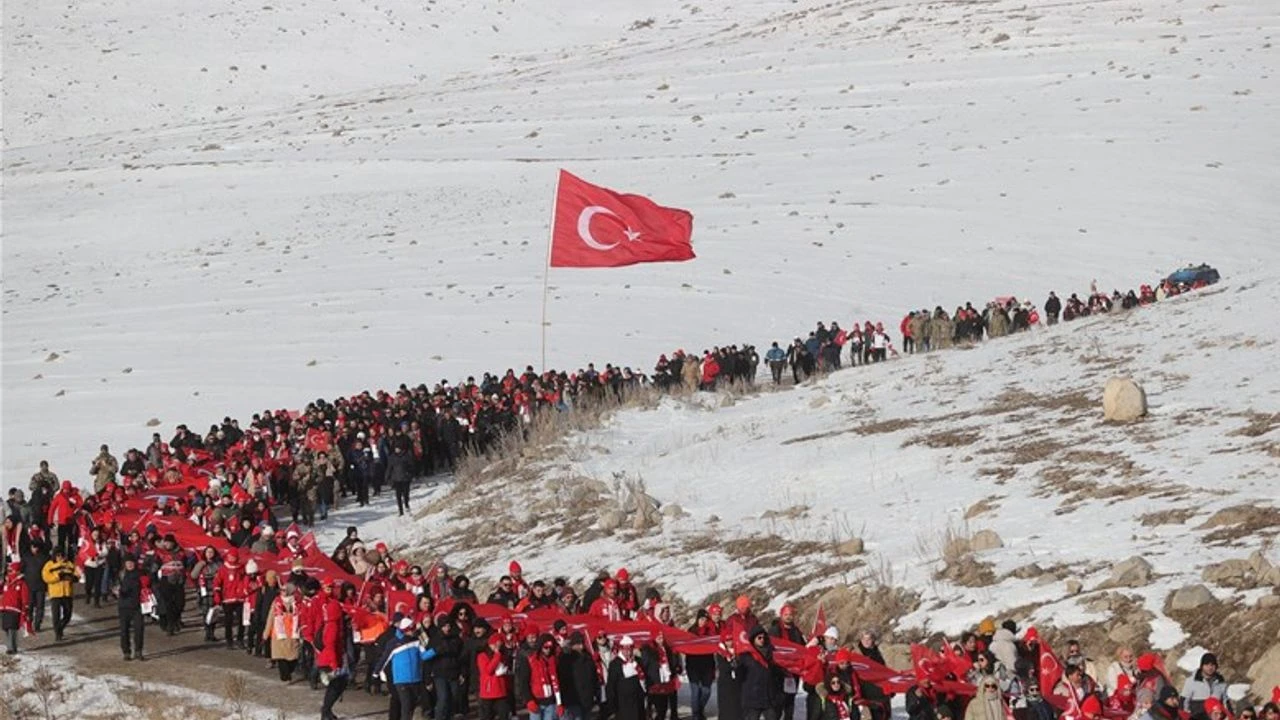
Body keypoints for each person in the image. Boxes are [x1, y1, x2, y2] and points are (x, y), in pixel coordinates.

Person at [377, 616, 439, 720]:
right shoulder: (394, 643)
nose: (414, 631)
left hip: (415, 678)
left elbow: (423, 655)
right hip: (401, 679)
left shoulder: (416, 641)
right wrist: (376, 673)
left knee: (412, 705)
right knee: (406, 705)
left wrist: (435, 651)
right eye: (411, 629)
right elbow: (384, 658)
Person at [738, 625, 783, 720]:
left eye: (763, 637)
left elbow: (777, 672)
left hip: (769, 696)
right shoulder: (746, 655)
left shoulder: (772, 652)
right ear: (753, 638)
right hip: (752, 697)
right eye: (759, 637)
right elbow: (740, 675)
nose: (762, 639)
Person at [769, 604, 805, 720]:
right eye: (786, 615)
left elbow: (802, 648)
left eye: (790, 615)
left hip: (793, 671)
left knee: (790, 702)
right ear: (781, 615)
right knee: (778, 703)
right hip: (779, 671)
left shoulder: (796, 631)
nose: (789, 617)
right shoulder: (775, 630)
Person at [263, 586, 302, 681]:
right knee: (281, 657)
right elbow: (270, 617)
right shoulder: (276, 602)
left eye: (285, 590)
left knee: (294, 658)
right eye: (281, 590)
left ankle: (289, 672)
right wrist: (266, 632)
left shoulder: (297, 603)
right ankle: (285, 677)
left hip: (292, 635)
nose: (282, 592)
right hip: (278, 635)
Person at [686, 609, 718, 720]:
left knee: (706, 691)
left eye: (705, 619)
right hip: (693, 666)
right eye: (701, 619)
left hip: (707, 665)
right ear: (697, 619)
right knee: (695, 692)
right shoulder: (691, 631)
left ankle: (699, 709)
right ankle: (696, 715)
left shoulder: (710, 632)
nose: (703, 621)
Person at [559, 631, 598, 720]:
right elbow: (563, 680)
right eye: (578, 644)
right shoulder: (566, 659)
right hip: (573, 699)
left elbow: (593, 677)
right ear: (572, 645)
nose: (581, 646)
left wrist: (594, 692)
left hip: (587, 698)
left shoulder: (588, 657)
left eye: (582, 643)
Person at [42, 547, 77, 642]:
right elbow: (46, 577)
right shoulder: (49, 565)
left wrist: (74, 578)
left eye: (62, 555)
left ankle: (60, 628)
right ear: (54, 555)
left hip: (67, 593)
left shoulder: (69, 564)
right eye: (58, 555)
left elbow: (76, 573)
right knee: (56, 615)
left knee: (68, 614)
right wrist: (58, 576)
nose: (60, 557)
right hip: (55, 593)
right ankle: (58, 633)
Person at [607, 635, 646, 720]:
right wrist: (612, 707)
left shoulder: (638, 661)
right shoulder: (615, 664)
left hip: (638, 703)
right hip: (623, 705)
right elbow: (611, 686)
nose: (628, 652)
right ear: (621, 649)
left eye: (630, 649)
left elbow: (643, 678)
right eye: (626, 649)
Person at [1180, 653, 1229, 720]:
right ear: (1201, 666)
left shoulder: (1221, 683)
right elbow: (1183, 702)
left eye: (1212, 665)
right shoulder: (1191, 681)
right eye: (1206, 665)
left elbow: (1226, 703)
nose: (1210, 667)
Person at [117, 555, 146, 661]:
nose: (129, 564)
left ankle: (138, 651)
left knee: (139, 629)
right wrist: (116, 591)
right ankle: (126, 652)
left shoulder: (141, 574)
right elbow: (116, 587)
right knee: (124, 630)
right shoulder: (121, 574)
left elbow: (148, 585)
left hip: (138, 606)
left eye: (131, 562)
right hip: (124, 606)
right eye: (127, 562)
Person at [1, 561, 32, 654]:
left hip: (15, 608)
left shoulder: (21, 583)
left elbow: (25, 596)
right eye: (9, 571)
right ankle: (8, 645)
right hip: (4, 607)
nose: (10, 572)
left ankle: (12, 648)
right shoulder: (6, 582)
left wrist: (26, 606)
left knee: (12, 628)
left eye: (11, 570)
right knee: (6, 628)